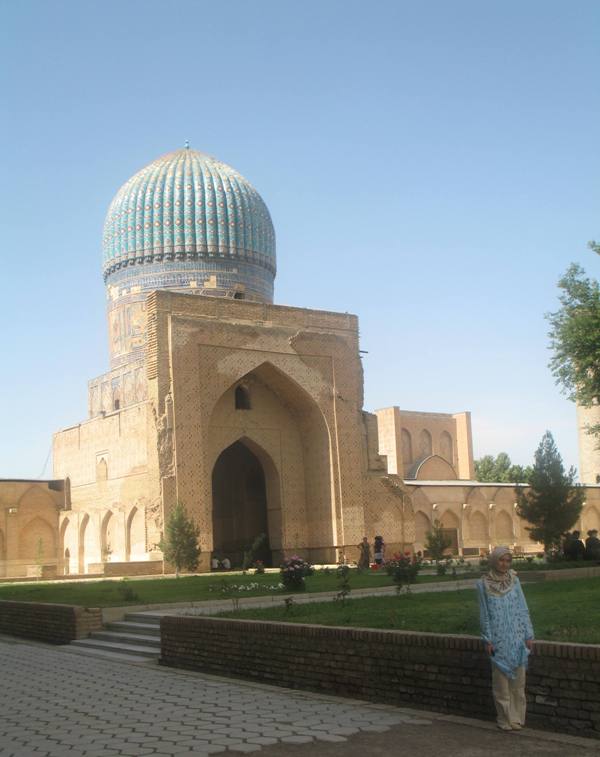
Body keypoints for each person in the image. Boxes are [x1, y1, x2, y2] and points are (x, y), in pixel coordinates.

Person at [476, 545, 534, 731]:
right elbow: (484, 614)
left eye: (508, 560)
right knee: (501, 685)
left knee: (518, 683)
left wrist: (528, 634)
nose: (504, 564)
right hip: (499, 640)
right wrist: (488, 639)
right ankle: (504, 718)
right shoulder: (483, 584)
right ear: (494, 560)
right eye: (501, 559)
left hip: (516, 638)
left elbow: (522, 608)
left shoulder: (514, 581)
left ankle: (517, 718)